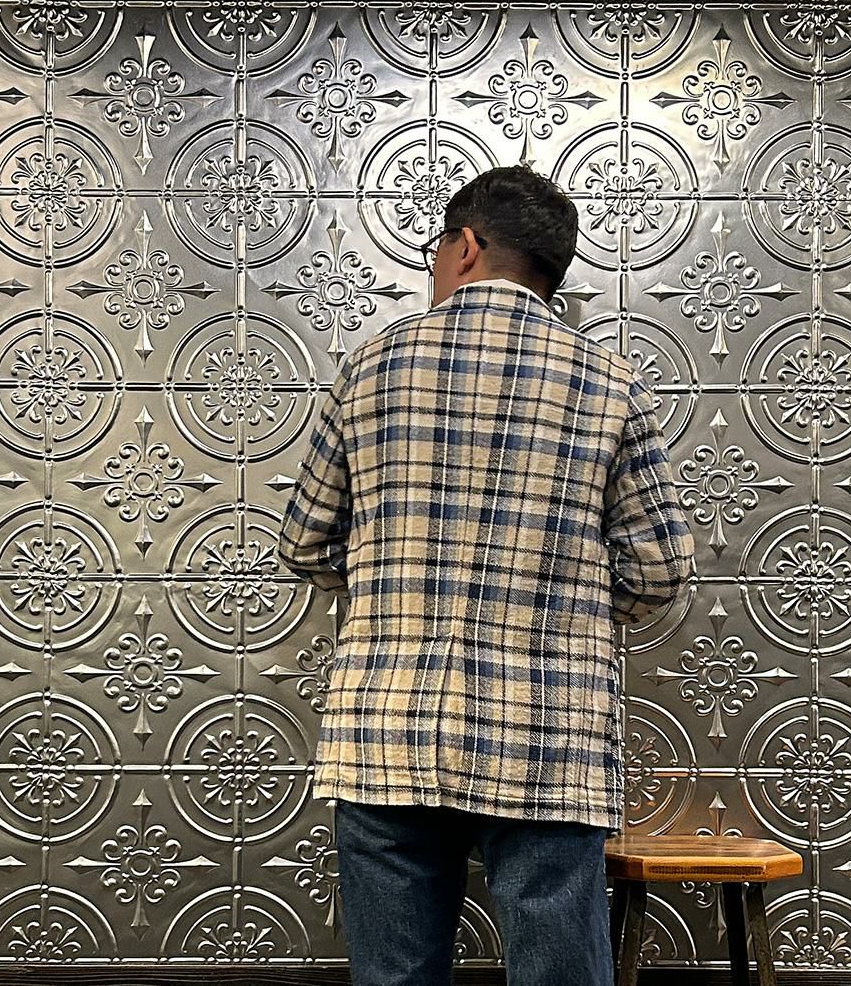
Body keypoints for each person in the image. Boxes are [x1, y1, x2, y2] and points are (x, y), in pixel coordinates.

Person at [279, 165, 694, 986]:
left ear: (464, 246)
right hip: (549, 734)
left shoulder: (371, 367)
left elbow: (304, 543)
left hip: (385, 728)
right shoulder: (609, 384)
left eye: (437, 248)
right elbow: (658, 570)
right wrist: (564, 602)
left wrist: (388, 583)